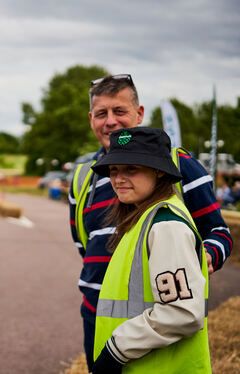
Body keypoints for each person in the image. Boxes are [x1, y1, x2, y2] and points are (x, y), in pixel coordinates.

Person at [68, 74, 233, 371]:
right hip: (98, 315)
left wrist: (199, 256)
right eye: (102, 113)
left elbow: (218, 232)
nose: (110, 122)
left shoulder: (179, 166)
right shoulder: (82, 177)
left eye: (119, 111)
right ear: (91, 118)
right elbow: (84, 244)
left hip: (152, 323)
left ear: (139, 113)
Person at [90, 127, 210, 373]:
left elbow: (182, 312)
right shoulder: (145, 218)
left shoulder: (166, 224)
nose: (118, 178)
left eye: (131, 168)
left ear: (158, 170)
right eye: (114, 170)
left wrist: (116, 350)